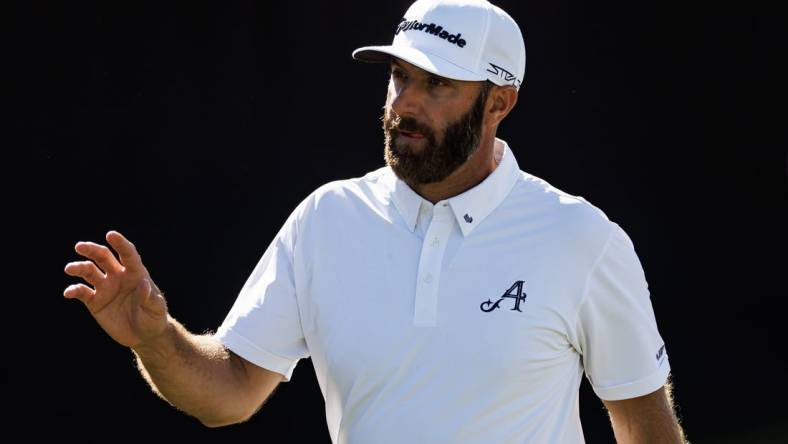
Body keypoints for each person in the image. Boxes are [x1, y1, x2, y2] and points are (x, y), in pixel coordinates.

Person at [63, 0, 686, 442]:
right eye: (398, 76)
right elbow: (228, 395)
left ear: (500, 102)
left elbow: (645, 429)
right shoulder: (327, 219)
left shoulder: (582, 240)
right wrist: (155, 336)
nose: (405, 103)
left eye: (437, 83)